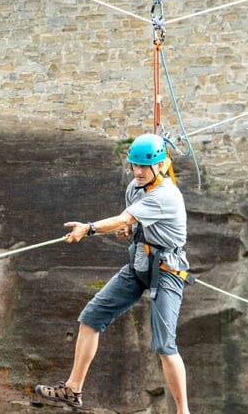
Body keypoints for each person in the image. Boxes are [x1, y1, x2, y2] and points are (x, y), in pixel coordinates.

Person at [35, 133, 192, 414]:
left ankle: (183, 412)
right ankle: (73, 389)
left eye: (145, 166)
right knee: (91, 318)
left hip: (167, 270)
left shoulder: (166, 194)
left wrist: (89, 228)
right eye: (134, 165)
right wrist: (130, 231)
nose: (138, 171)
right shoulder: (135, 187)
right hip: (139, 265)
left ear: (160, 165)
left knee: (165, 346)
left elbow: (124, 217)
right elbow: (130, 221)